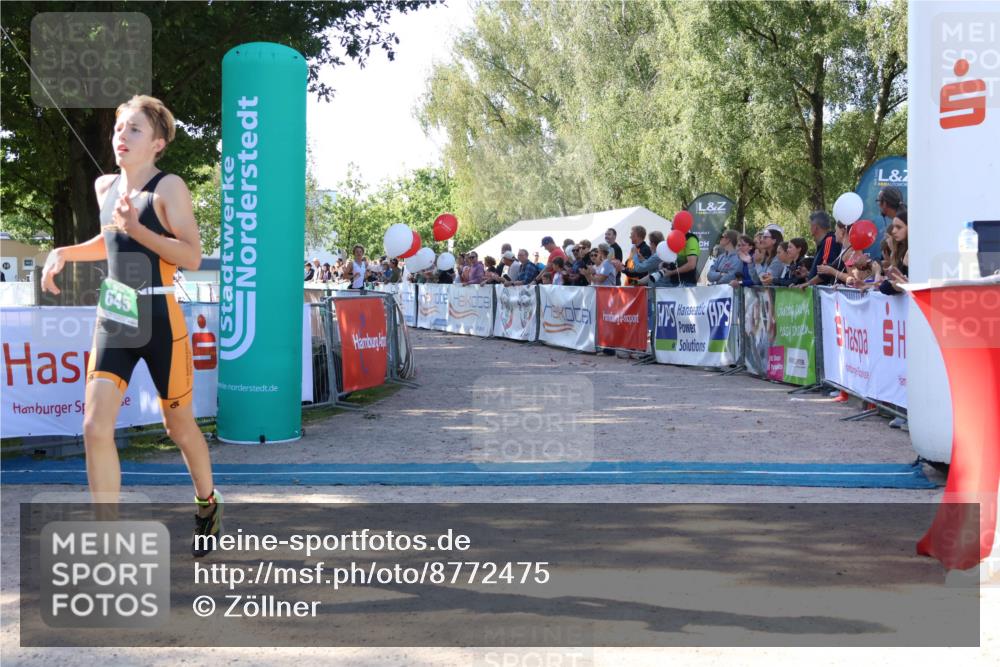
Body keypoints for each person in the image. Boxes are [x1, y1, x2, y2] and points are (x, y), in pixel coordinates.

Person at [40, 95, 221, 555]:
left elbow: (191, 256)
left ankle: (207, 502)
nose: (122, 135)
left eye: (135, 129)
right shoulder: (105, 186)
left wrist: (139, 230)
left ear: (158, 143)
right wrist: (64, 252)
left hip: (160, 316)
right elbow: (109, 241)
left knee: (178, 426)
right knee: (94, 425)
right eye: (119, 127)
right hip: (115, 314)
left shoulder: (169, 187)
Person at [797, 211, 842, 289]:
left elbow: (825, 272)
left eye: (810, 225)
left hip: (825, 292)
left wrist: (808, 283)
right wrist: (808, 274)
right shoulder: (824, 243)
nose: (809, 228)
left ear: (815, 227)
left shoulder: (829, 241)